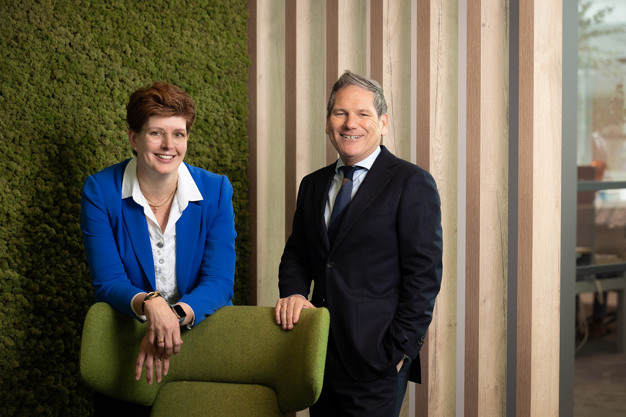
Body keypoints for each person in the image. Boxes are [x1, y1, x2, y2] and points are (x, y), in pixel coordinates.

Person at [275, 70, 443, 417]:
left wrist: (399, 351)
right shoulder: (312, 185)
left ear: (383, 123)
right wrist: (293, 293)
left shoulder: (412, 182)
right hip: (318, 352)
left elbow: (423, 276)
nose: (350, 123)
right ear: (328, 123)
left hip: (377, 360)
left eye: (363, 113)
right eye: (341, 113)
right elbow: (298, 254)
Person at [81, 82, 236, 415]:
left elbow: (219, 282)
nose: (169, 145)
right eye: (156, 133)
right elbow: (107, 281)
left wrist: (172, 318)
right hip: (128, 341)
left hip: (200, 336)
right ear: (133, 138)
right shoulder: (100, 191)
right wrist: (151, 304)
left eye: (178, 134)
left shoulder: (216, 190)